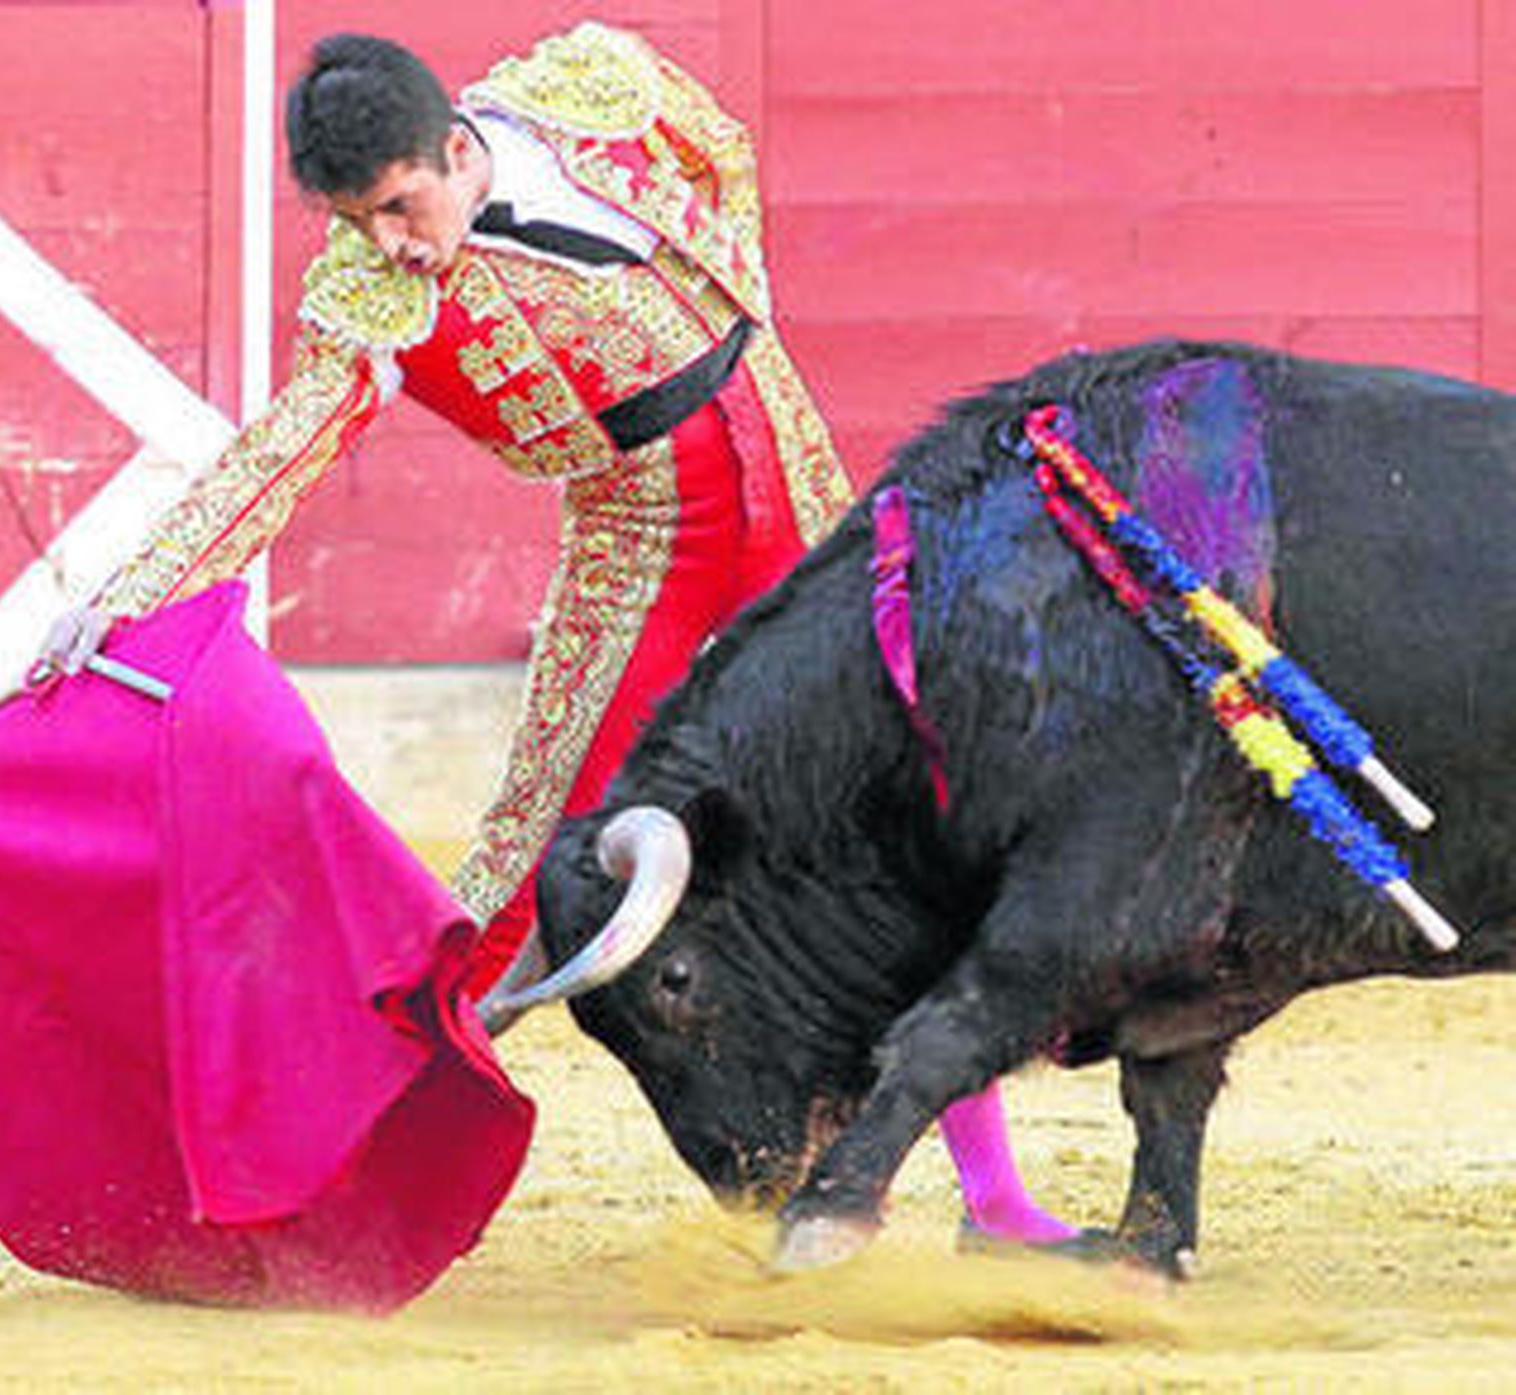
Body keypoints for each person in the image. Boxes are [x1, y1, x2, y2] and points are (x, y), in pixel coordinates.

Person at [56, 22, 1070, 1248]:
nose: (387, 241)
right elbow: (284, 452)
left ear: (452, 146)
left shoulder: (589, 86)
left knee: (908, 814)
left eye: (395, 205)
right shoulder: (371, 293)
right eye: (357, 219)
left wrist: (742, 307)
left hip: (793, 479)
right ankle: (317, 1171)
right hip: (646, 537)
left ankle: (997, 1201)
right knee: (528, 868)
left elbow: (718, 146)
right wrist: (137, 592)